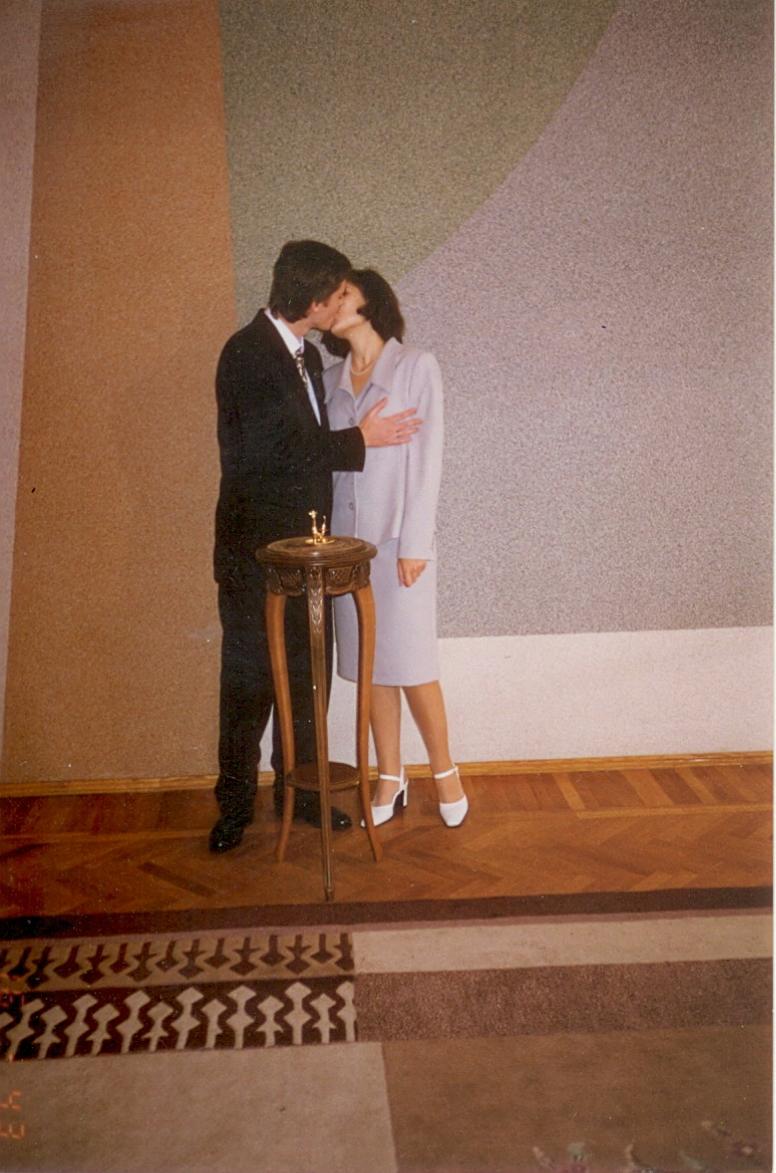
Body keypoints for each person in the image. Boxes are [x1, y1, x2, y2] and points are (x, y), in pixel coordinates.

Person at [211, 242, 421, 854]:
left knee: (308, 684)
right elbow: (272, 452)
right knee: (249, 684)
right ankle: (233, 808)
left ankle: (300, 795)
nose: (341, 305)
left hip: (306, 555)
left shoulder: (303, 354)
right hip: (256, 559)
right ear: (313, 301)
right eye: (337, 295)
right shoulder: (248, 353)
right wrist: (360, 439)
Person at [323, 270, 468, 827]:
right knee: (370, 667)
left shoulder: (414, 366)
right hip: (347, 547)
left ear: (371, 300)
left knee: (412, 664)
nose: (333, 303)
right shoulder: (331, 378)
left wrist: (416, 543)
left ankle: (445, 771)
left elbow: (428, 460)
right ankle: (390, 775)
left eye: (343, 293)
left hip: (398, 543)